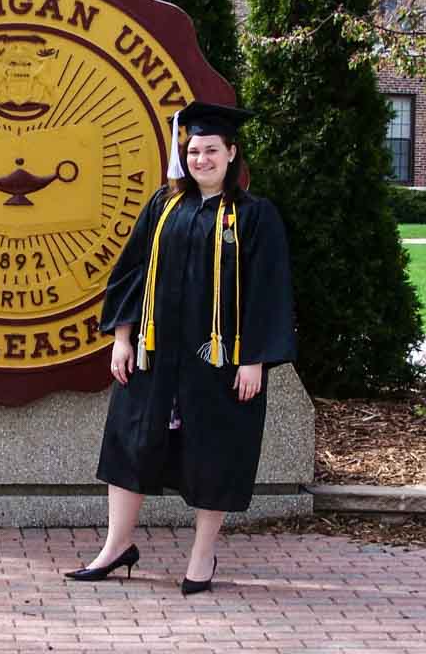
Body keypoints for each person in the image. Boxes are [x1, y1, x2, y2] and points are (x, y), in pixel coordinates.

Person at [64, 100, 297, 595]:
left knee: (213, 451)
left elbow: (268, 290)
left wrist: (255, 358)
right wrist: (123, 339)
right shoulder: (163, 205)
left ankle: (202, 555)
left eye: (212, 150)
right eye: (194, 150)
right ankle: (116, 547)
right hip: (154, 354)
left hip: (218, 361)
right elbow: (129, 272)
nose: (202, 159)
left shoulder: (256, 217)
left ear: (232, 153)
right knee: (130, 443)